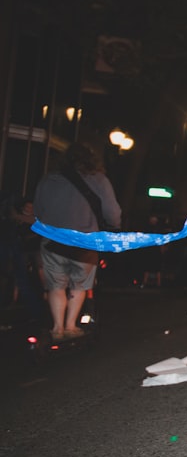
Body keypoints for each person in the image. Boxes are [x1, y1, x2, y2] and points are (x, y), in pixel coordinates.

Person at [33, 141, 121, 340]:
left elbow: (38, 210)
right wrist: (114, 226)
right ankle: (71, 325)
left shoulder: (48, 180)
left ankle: (57, 328)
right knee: (79, 285)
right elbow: (112, 211)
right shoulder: (98, 180)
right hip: (84, 240)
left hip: (53, 240)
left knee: (56, 285)